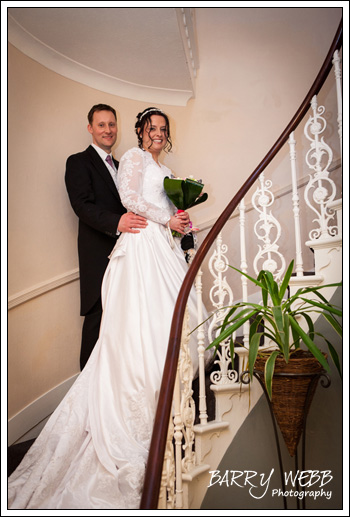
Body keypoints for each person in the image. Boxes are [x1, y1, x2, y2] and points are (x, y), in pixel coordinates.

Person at [8, 107, 209, 509]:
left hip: (159, 246)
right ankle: (131, 416)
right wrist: (161, 221)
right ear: (137, 131)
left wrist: (179, 219)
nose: (156, 133)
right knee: (133, 333)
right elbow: (128, 198)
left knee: (168, 326)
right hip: (137, 247)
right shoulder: (130, 159)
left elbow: (161, 208)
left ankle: (164, 409)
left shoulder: (162, 167)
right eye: (151, 127)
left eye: (162, 129)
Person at [65, 104, 149, 369]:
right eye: (101, 125)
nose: (108, 130)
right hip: (98, 255)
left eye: (111, 124)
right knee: (97, 318)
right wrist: (117, 221)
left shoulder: (124, 165)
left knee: (124, 319)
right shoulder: (78, 162)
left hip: (128, 253)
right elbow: (81, 206)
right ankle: (86, 392)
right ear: (90, 128)